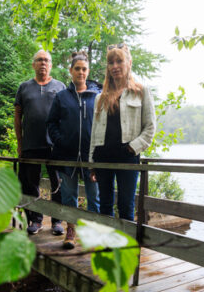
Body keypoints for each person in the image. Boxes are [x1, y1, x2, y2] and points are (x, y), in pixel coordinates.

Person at [89, 43, 155, 221]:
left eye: (119, 61)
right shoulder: (99, 97)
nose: (115, 66)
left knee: (126, 205)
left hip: (127, 156)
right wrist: (92, 162)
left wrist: (131, 148)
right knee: (104, 205)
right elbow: (94, 131)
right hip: (103, 157)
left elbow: (150, 128)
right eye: (111, 62)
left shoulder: (141, 92)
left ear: (129, 62)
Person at [46, 51, 101, 249]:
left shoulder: (97, 96)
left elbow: (104, 125)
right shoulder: (62, 97)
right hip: (67, 157)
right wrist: (60, 141)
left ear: (88, 71)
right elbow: (51, 123)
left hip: (91, 158)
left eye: (84, 69)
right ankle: (71, 230)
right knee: (69, 196)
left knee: (94, 196)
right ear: (71, 71)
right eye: (77, 68)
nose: (80, 72)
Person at [14, 49, 66, 235]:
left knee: (58, 183)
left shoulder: (60, 87)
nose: (43, 63)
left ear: (51, 65)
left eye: (46, 60)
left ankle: (57, 221)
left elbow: (66, 116)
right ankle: (35, 221)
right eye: (39, 60)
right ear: (33, 64)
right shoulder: (24, 87)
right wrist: (20, 143)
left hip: (55, 145)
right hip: (30, 144)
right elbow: (18, 117)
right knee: (30, 183)